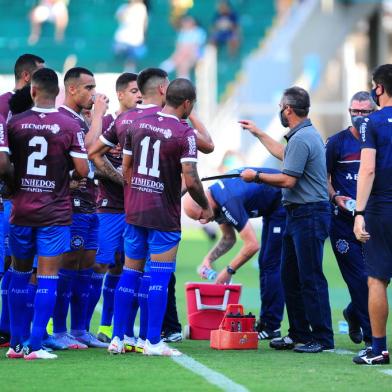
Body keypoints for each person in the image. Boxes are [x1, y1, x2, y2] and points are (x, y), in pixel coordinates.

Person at [89, 67, 214, 351]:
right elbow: (191, 178)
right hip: (163, 214)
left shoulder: (135, 121)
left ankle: (119, 339)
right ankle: (152, 341)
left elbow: (127, 168)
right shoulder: (184, 131)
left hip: (134, 211)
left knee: (129, 273)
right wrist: (205, 207)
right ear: (187, 104)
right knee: (158, 274)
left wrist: (133, 189)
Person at [240, 86, 334, 353]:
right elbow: (284, 155)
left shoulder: (303, 138)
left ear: (288, 109)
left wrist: (255, 176)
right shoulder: (301, 136)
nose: (280, 111)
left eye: (281, 107)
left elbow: (288, 178)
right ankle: (299, 333)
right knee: (289, 276)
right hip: (298, 214)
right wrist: (258, 133)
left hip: (309, 214)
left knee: (310, 277)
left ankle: (323, 338)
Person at [6, 68, 89, 360]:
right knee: (48, 276)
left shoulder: (14, 123)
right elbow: (82, 171)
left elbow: (6, 164)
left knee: (18, 273)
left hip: (21, 210)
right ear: (58, 94)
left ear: (32, 91)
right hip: (54, 213)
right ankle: (36, 345)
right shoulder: (69, 125)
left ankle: (16, 345)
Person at [183, 167, 286, 339]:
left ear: (204, 202)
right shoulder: (213, 205)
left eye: (200, 216)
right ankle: (267, 323)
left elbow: (252, 244)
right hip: (271, 207)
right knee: (266, 263)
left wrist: (228, 270)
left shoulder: (228, 201)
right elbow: (228, 238)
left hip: (283, 201)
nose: (202, 222)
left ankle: (271, 327)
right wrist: (208, 259)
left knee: (271, 264)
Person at [52, 67, 109, 349]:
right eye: (89, 88)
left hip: (91, 201)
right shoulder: (65, 119)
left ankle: (79, 329)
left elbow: (96, 157)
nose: (93, 93)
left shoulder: (80, 119)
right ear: (71, 89)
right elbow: (89, 149)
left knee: (88, 264)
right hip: (71, 205)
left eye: (94, 87)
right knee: (68, 264)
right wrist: (97, 114)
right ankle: (59, 330)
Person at [85, 72, 142, 344]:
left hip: (136, 208)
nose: (139, 96)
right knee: (100, 263)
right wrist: (124, 181)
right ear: (120, 94)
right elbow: (93, 158)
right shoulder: (108, 123)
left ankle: (109, 327)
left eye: (141, 91)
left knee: (125, 267)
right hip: (108, 207)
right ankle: (79, 327)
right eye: (133, 91)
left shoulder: (145, 124)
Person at [0, 53, 45, 348]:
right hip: (9, 198)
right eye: (41, 75)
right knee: (10, 263)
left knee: (23, 266)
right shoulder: (4, 105)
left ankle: (12, 331)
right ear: (28, 78)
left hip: (27, 200)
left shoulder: (42, 112)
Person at [326, 91, 375, 352]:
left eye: (364, 113)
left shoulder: (379, 141)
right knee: (360, 280)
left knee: (378, 279)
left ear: (374, 113)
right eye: (354, 112)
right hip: (343, 224)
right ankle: (372, 340)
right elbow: (321, 177)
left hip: (373, 222)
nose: (359, 117)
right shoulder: (336, 143)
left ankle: (353, 313)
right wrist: (335, 198)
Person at [353, 64, 392, 365]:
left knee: (377, 279)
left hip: (382, 206)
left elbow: (367, 168)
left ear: (378, 88)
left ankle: (378, 348)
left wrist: (359, 212)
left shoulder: (372, 123)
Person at [113, 0, 148, 72]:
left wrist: (144, 36)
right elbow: (120, 17)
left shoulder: (141, 8)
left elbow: (144, 23)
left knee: (131, 60)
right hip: (123, 39)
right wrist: (128, 8)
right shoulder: (124, 7)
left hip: (136, 39)